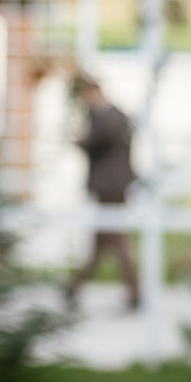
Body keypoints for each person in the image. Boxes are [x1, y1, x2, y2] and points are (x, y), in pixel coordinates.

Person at [63, 77, 140, 311]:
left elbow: (91, 143)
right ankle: (75, 286)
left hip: (110, 186)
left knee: (114, 237)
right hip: (112, 185)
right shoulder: (115, 116)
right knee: (103, 239)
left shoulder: (108, 117)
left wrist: (77, 138)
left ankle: (134, 291)